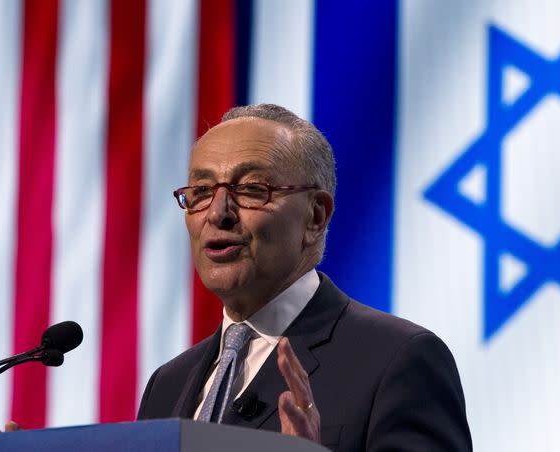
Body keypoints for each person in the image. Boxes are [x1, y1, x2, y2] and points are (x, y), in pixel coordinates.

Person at [136, 104, 472, 451]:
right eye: (202, 192)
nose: (218, 213)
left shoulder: (397, 360)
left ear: (315, 216)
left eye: (251, 189)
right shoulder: (167, 384)